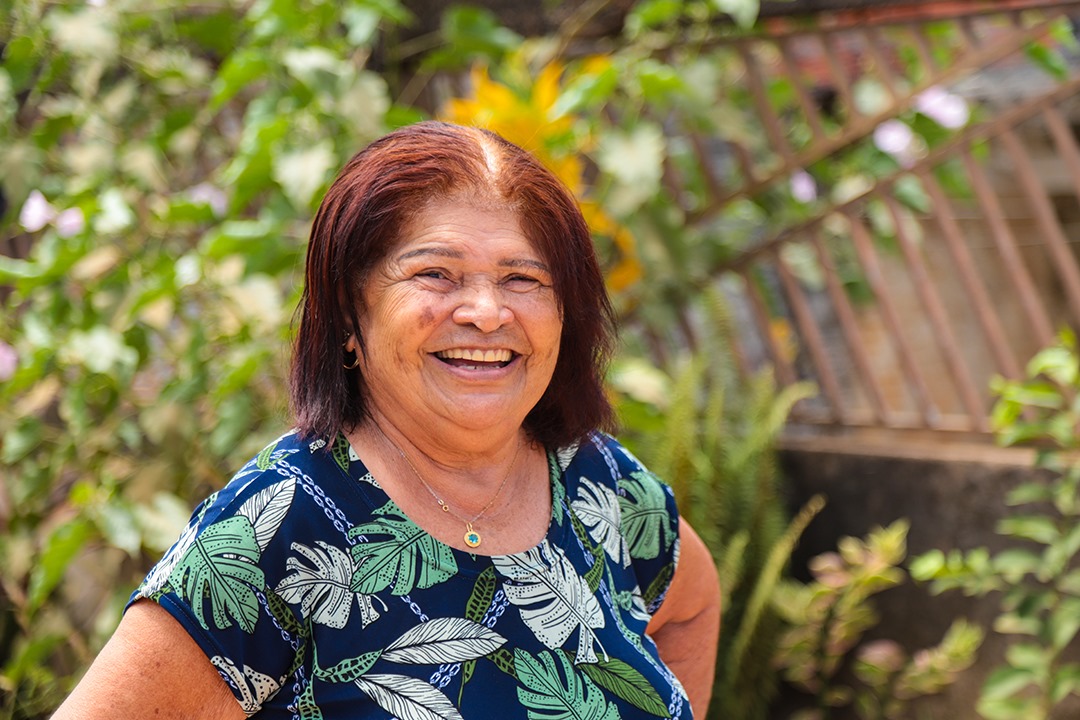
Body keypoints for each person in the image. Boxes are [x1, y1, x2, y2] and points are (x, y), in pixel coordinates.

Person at [53, 121, 720, 720]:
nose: (487, 312)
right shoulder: (278, 521)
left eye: (523, 279)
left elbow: (691, 606)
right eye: (436, 273)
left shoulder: (597, 483)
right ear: (349, 312)